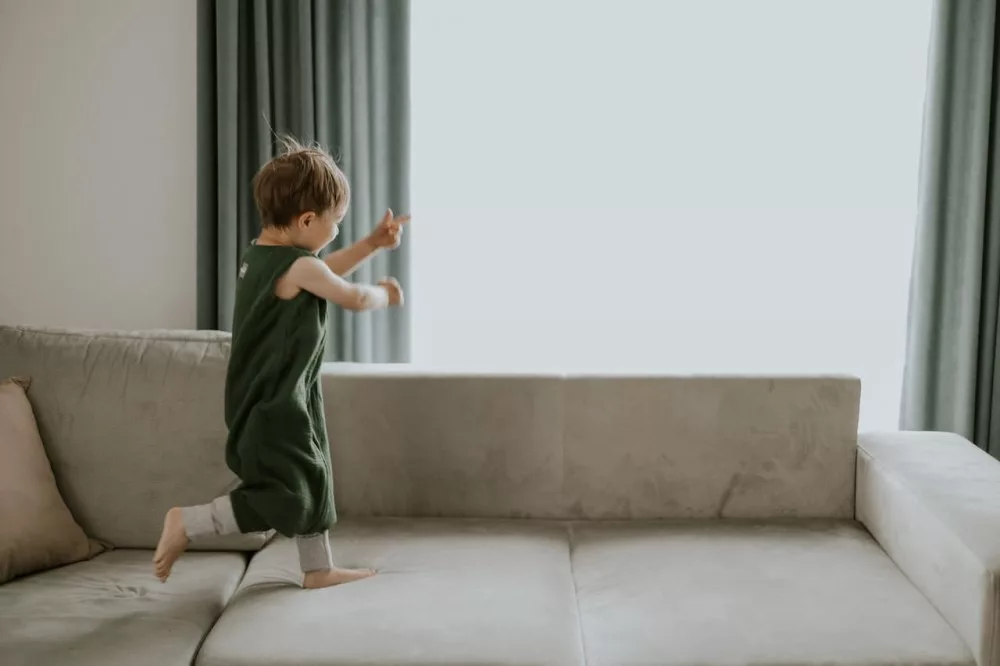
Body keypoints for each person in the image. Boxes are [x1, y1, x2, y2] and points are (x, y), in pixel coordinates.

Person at [153, 137, 407, 590]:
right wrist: (385, 294)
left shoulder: (263, 256)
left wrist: (370, 244)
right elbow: (350, 296)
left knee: (311, 475)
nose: (337, 230)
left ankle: (317, 568)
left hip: (280, 397)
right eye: (335, 222)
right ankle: (188, 522)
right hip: (273, 405)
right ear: (307, 220)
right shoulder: (298, 268)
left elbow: (324, 269)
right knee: (287, 494)